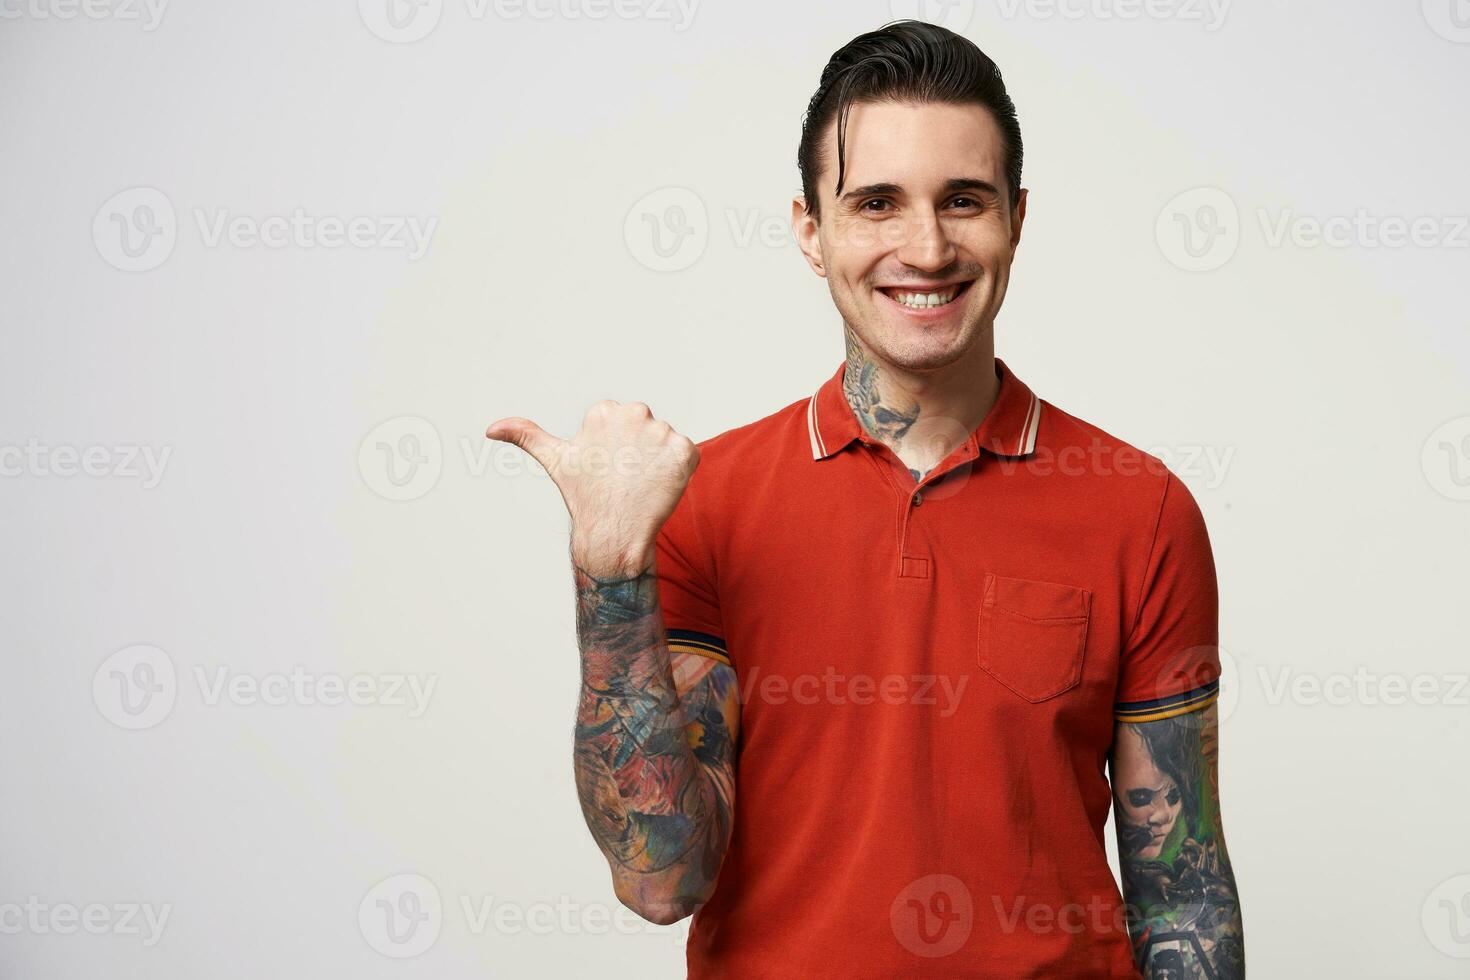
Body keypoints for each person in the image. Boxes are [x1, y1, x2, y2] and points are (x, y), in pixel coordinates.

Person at [486, 19, 1244, 978]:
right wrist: (609, 573)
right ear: (812, 229)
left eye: (962, 201)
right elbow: (661, 879)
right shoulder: (701, 506)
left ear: (1016, 217)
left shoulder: (1143, 511)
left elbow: (1185, 891)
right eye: (876, 203)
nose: (925, 247)